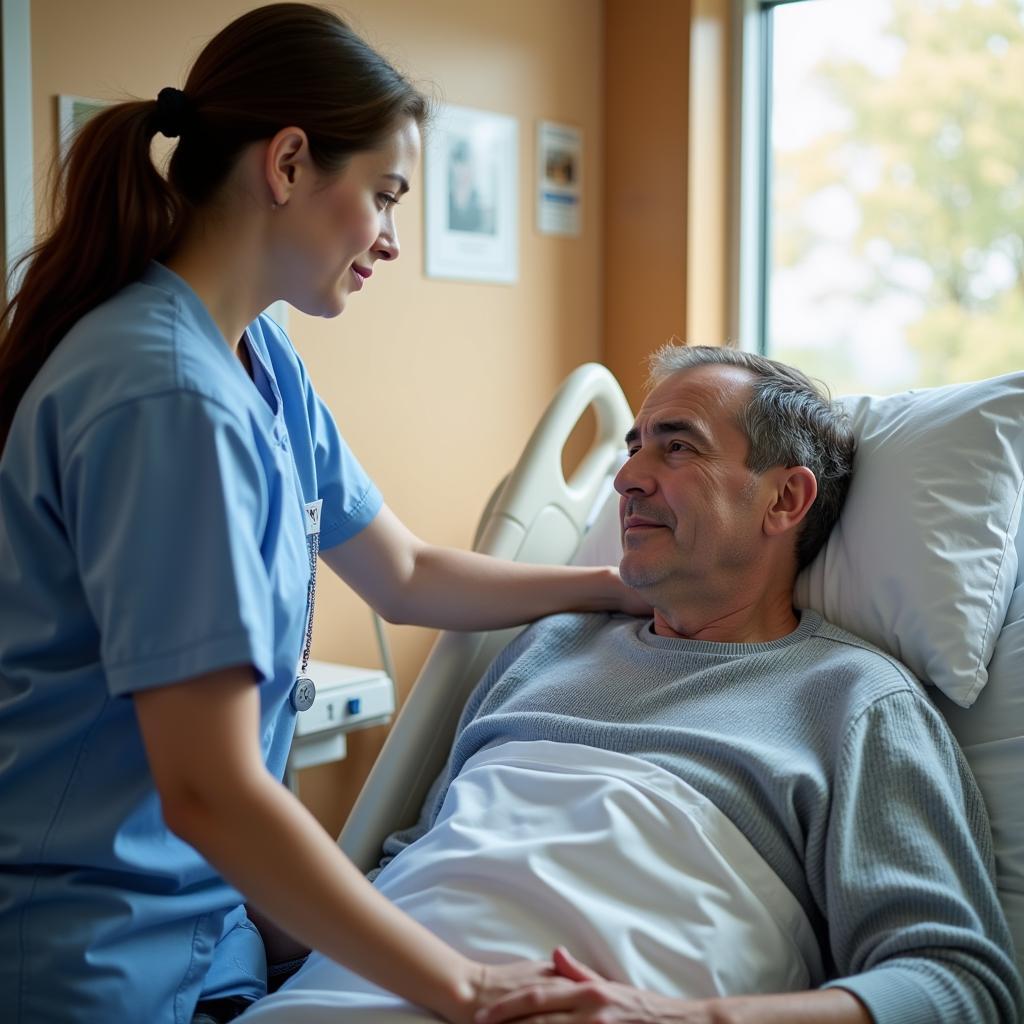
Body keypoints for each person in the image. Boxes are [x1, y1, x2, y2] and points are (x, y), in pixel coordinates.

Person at [0, 6, 647, 1024]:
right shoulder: (165, 397)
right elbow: (207, 786)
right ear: (290, 162)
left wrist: (611, 585)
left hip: (204, 936)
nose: (391, 239)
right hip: (97, 957)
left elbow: (404, 572)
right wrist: (466, 987)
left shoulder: (261, 361)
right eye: (385, 196)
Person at [247, 345, 1023, 1024]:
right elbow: (416, 868)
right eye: (631, 448)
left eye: (676, 449)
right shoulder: (549, 647)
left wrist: (685, 1018)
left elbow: (958, 985)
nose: (625, 477)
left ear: (785, 499)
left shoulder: (852, 701)